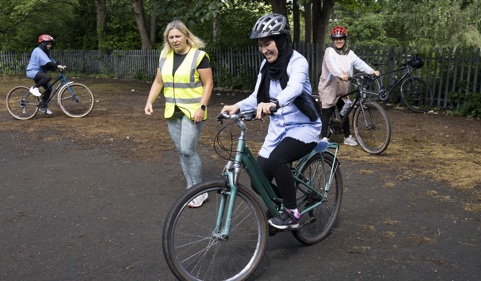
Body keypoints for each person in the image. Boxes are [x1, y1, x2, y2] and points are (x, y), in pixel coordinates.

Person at [221, 14, 321, 230]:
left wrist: (274, 103)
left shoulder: (298, 61)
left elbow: (294, 89)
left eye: (267, 44)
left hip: (303, 128)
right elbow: (256, 97)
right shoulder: (265, 67)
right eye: (260, 45)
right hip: (278, 131)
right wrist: (237, 106)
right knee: (258, 181)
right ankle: (284, 203)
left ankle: (292, 213)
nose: (264, 49)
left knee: (278, 159)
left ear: (282, 41)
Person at [144, 20, 213, 208]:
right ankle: (191, 186)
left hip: (193, 110)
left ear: (186, 36)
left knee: (188, 149)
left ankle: (200, 191)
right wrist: (150, 101)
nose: (174, 40)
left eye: (178, 36)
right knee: (181, 151)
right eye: (171, 37)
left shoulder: (199, 56)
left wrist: (202, 107)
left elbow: (208, 83)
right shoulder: (165, 57)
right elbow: (158, 81)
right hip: (172, 110)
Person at [318, 25, 380, 146]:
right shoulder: (329, 51)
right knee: (327, 111)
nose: (339, 41)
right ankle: (323, 138)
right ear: (333, 40)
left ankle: (347, 137)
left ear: (345, 39)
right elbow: (331, 66)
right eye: (336, 39)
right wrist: (340, 74)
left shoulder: (349, 53)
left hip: (343, 87)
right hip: (330, 86)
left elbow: (359, 63)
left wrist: (371, 71)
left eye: (341, 38)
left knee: (345, 110)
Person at [26, 34, 66, 115]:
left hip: (40, 73)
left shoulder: (45, 52)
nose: (50, 45)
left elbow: (52, 62)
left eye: (50, 43)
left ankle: (42, 106)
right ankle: (34, 88)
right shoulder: (38, 51)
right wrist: (57, 66)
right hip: (32, 71)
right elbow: (48, 62)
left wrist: (60, 66)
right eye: (49, 43)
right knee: (47, 77)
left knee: (49, 89)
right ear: (43, 43)